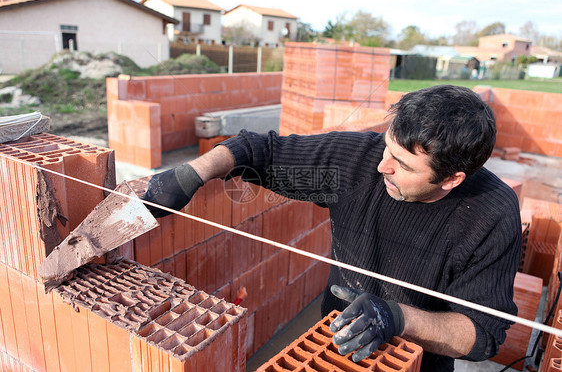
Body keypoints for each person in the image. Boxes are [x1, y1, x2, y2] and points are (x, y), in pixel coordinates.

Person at [141, 85, 521, 371]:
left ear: (452, 179)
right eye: (388, 148)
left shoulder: (491, 213)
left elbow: (481, 334)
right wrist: (191, 174)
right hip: (331, 344)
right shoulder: (358, 159)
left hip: (413, 363)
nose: (382, 167)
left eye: (404, 166)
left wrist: (398, 317)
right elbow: (256, 149)